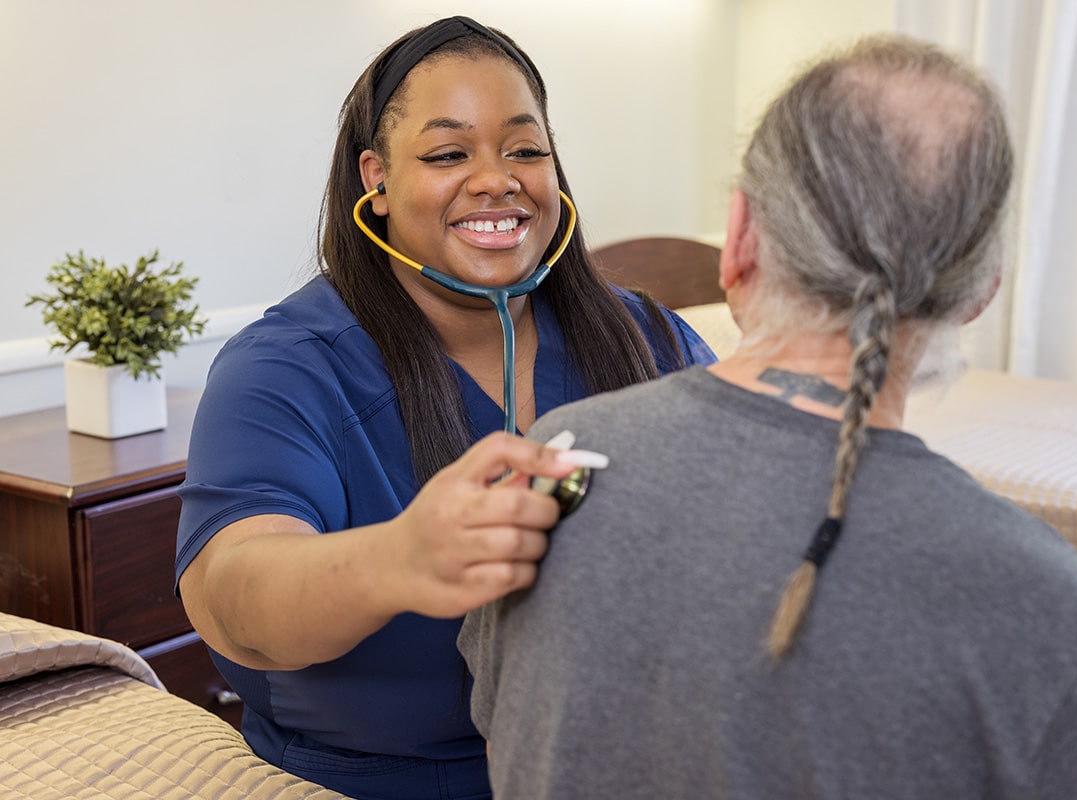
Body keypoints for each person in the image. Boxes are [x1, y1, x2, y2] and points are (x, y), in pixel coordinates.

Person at [458, 35, 1077, 799]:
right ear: (980, 289)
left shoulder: (546, 473)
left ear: (739, 239)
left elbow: (508, 751)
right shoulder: (1058, 614)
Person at [174, 15, 715, 800]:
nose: (497, 179)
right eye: (448, 153)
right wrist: (399, 560)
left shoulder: (649, 337)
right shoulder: (284, 368)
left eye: (526, 150)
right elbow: (229, 595)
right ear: (377, 181)